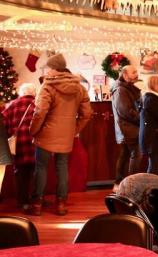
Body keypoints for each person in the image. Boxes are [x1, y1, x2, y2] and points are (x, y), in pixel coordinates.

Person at [29, 53, 92, 216]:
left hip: (45, 134)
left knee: (41, 167)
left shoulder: (47, 86)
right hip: (66, 136)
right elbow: (86, 114)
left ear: (54, 68)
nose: (48, 71)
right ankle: (61, 204)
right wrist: (73, 130)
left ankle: (36, 204)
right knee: (62, 168)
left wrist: (33, 130)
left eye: (49, 68)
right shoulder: (79, 87)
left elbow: (40, 112)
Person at [3, 83, 37, 210]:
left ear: (21, 92)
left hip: (18, 145)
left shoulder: (12, 104)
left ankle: (22, 202)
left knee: (21, 173)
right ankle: (36, 200)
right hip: (34, 143)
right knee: (36, 172)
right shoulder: (37, 104)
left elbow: (3, 122)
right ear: (33, 93)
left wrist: (9, 134)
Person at [111, 65, 142, 189]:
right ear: (124, 75)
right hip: (128, 128)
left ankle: (119, 183)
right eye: (133, 72)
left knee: (125, 155)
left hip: (128, 128)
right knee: (136, 154)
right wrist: (142, 118)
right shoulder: (121, 90)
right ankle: (130, 185)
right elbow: (126, 111)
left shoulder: (127, 88)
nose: (136, 74)